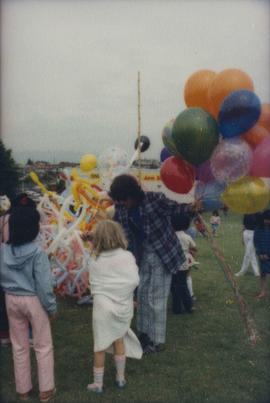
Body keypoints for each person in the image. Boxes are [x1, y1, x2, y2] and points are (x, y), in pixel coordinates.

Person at [108, 174, 200, 354]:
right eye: (118, 200)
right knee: (142, 294)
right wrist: (98, 236)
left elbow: (176, 209)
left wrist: (191, 208)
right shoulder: (120, 207)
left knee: (156, 298)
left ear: (132, 194)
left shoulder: (154, 199)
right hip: (140, 255)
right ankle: (144, 334)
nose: (121, 203)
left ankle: (157, 341)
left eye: (123, 199)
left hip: (162, 254)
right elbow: (114, 229)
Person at [0, 205, 57, 402]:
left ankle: (23, 389)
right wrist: (51, 307)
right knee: (42, 345)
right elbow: (44, 284)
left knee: (19, 346)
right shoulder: (38, 252)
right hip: (33, 300)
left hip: (11, 299)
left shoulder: (2, 250)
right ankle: (46, 389)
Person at [82, 220, 142, 394]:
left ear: (98, 239)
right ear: (119, 235)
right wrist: (123, 294)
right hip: (123, 305)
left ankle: (98, 384)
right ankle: (120, 378)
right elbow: (134, 280)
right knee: (119, 339)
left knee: (100, 345)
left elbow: (93, 284)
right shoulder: (127, 256)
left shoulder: (95, 259)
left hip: (102, 307)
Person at [170, 214, 197, 314]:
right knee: (183, 284)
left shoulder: (170, 236)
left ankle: (177, 309)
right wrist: (187, 248)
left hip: (173, 263)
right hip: (184, 262)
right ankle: (189, 306)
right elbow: (195, 248)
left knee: (174, 287)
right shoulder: (187, 236)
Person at [253, 210, 270, 299]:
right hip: (262, 257)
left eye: (269, 220)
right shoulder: (258, 229)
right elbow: (256, 243)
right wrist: (260, 254)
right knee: (263, 274)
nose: (267, 221)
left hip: (268, 255)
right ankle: (263, 292)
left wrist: (268, 254)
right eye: (266, 219)